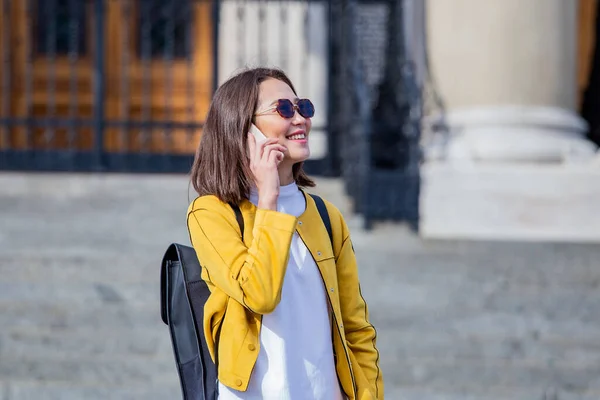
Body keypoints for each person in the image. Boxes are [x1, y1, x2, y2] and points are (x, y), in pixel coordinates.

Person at [187, 67, 383, 400]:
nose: (300, 119)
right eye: (284, 109)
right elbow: (260, 295)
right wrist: (269, 198)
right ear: (244, 128)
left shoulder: (325, 216)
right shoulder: (212, 213)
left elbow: (355, 328)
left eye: (303, 107)